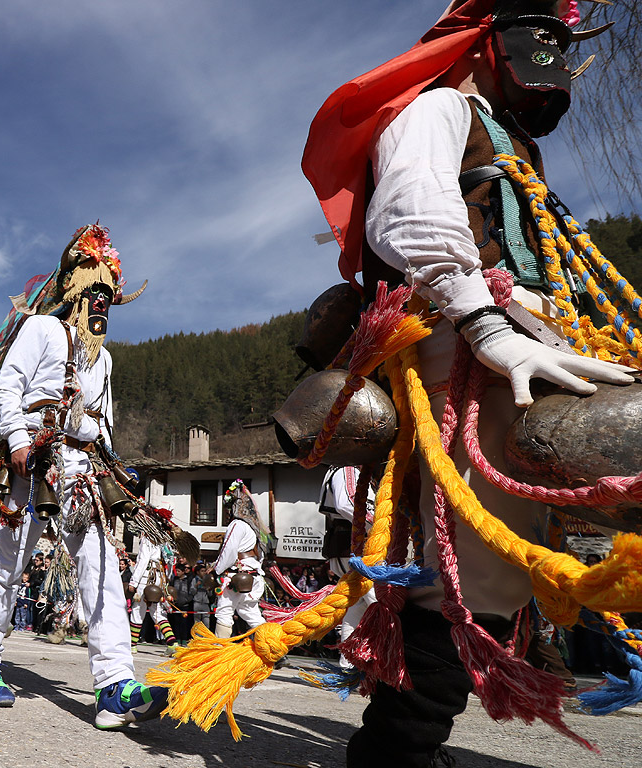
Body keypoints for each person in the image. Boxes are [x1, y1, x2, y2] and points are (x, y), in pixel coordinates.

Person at [299, 2, 636, 764]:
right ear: (494, 41)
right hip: (471, 344)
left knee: (506, 569)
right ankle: (398, 751)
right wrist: (487, 330)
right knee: (470, 574)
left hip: (538, 339)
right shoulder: (441, 108)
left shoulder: (510, 142)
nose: (556, 56)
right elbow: (411, 211)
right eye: (543, 34)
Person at [0, 223, 166, 729]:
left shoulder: (107, 358)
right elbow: (5, 389)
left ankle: (114, 686)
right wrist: (15, 439)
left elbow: (102, 420)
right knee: (10, 562)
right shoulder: (42, 329)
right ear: (73, 289)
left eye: (108, 295)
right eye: (92, 291)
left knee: (101, 568)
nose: (100, 302)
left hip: (82, 471)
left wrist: (113, 464)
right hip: (35, 463)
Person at [319, 465, 377, 667]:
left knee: (357, 607)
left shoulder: (346, 468)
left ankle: (347, 666)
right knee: (381, 605)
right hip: (355, 548)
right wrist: (381, 526)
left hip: (349, 548)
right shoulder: (347, 467)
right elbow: (347, 503)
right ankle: (392, 663)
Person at [212, 480, 274, 637]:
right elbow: (260, 556)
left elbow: (228, 550)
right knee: (252, 614)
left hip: (237, 576)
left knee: (224, 611)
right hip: (253, 577)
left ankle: (220, 651)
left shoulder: (237, 524)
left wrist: (216, 570)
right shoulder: (255, 528)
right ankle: (276, 651)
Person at [127, 536, 177, 653]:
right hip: (159, 577)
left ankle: (132, 645)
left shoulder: (148, 538)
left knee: (138, 610)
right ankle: (172, 642)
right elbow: (170, 562)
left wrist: (134, 581)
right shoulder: (164, 539)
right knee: (157, 612)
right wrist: (166, 580)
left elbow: (143, 560)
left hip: (146, 576)